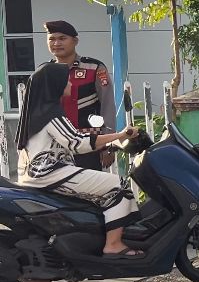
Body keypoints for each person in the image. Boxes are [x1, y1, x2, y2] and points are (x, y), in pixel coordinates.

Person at [16, 63, 141, 257]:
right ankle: (113, 244)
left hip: (34, 174)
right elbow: (78, 143)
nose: (71, 83)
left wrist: (110, 141)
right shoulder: (52, 114)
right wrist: (120, 135)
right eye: (66, 79)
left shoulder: (37, 113)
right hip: (49, 173)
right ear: (55, 84)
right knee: (119, 184)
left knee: (98, 193)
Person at [45, 20, 115, 170]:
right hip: (55, 147)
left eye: (62, 38)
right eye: (52, 39)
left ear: (75, 41)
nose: (56, 43)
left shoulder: (94, 68)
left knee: (91, 191)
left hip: (89, 145)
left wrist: (107, 146)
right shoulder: (45, 71)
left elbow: (107, 107)